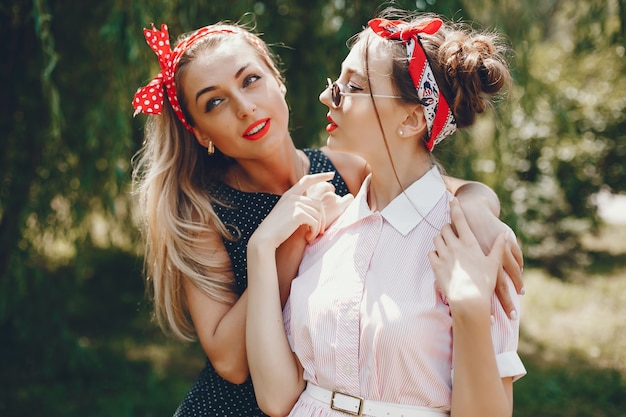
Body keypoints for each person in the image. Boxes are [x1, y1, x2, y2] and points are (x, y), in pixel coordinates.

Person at [131, 19, 523, 417]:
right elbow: (233, 363)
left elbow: (427, 186)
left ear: (276, 77)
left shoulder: (345, 167)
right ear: (200, 133)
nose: (244, 107)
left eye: (250, 80)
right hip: (233, 405)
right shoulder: (204, 209)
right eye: (213, 102)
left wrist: (478, 204)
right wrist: (277, 244)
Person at [246, 8, 526, 417]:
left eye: (351, 86)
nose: (327, 97)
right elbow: (276, 398)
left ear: (411, 119)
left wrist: (468, 306)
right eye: (334, 82)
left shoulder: (473, 243)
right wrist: (260, 248)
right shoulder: (327, 229)